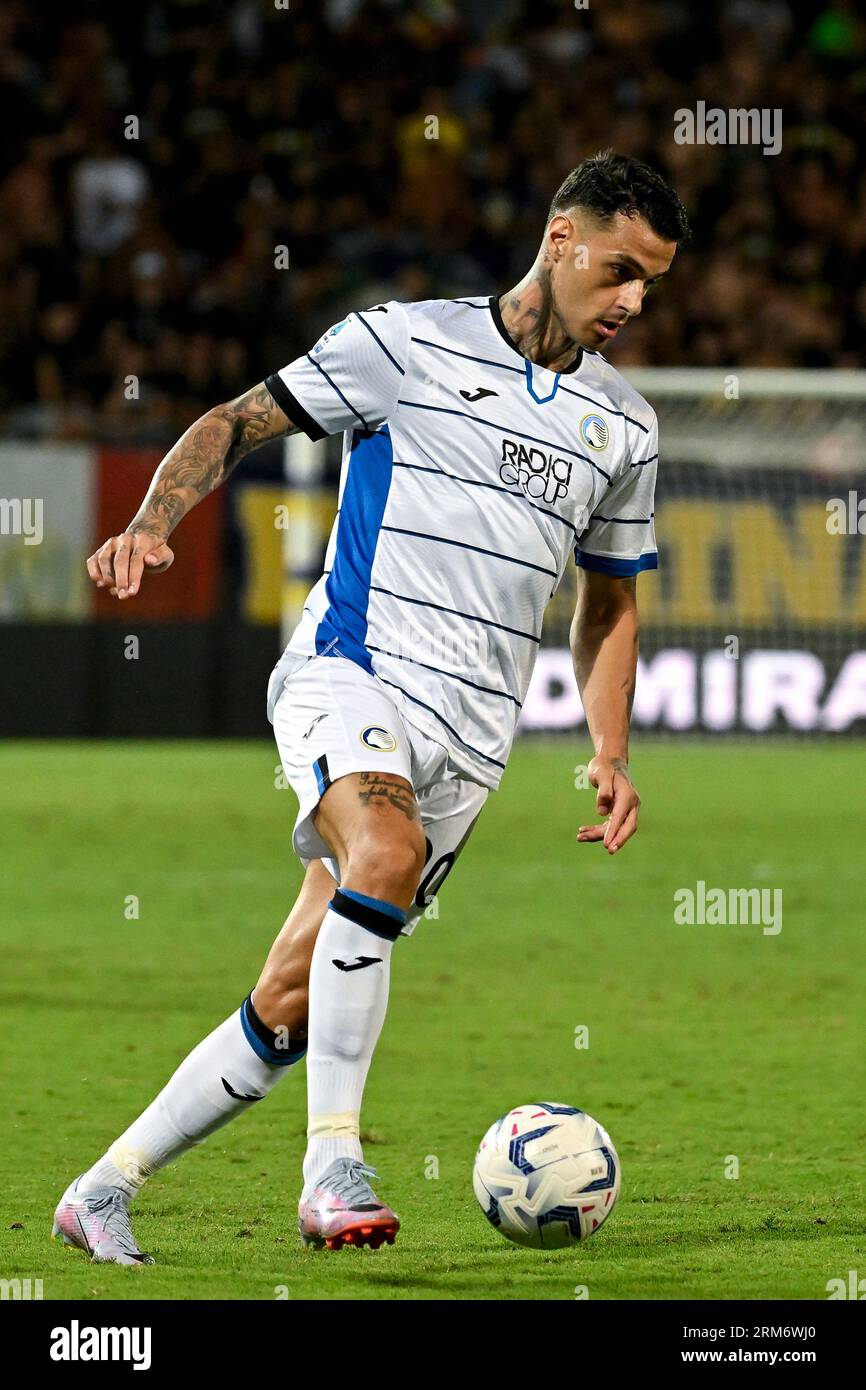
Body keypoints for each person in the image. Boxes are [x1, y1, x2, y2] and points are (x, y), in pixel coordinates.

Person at [53, 150, 688, 1262]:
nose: (633, 301)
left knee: (291, 996)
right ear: (560, 239)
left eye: (651, 284)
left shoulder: (623, 428)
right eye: (622, 270)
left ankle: (103, 1186)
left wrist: (609, 748)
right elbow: (235, 420)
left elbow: (608, 607)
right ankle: (331, 1167)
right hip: (353, 671)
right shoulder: (401, 342)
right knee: (381, 852)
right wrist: (157, 520)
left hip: (475, 740)